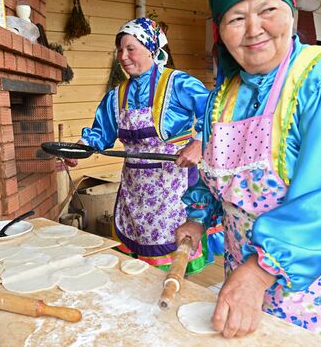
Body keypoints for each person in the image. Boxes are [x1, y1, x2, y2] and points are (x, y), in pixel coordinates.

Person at [175, 0, 321, 345]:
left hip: (318, 283)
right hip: (242, 269)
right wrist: (197, 218)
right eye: (236, 17)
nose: (254, 29)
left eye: (267, 10)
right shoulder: (224, 95)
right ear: (220, 32)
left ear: (292, 11)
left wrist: (258, 274)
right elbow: (214, 172)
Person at [65, 17, 219, 275]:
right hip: (135, 192)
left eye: (130, 48)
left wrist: (199, 143)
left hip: (173, 189)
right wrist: (80, 149)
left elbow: (215, 112)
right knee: (138, 268)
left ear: (152, 49)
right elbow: (100, 134)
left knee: (174, 260)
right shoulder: (116, 96)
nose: (123, 56)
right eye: (119, 50)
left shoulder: (178, 84)